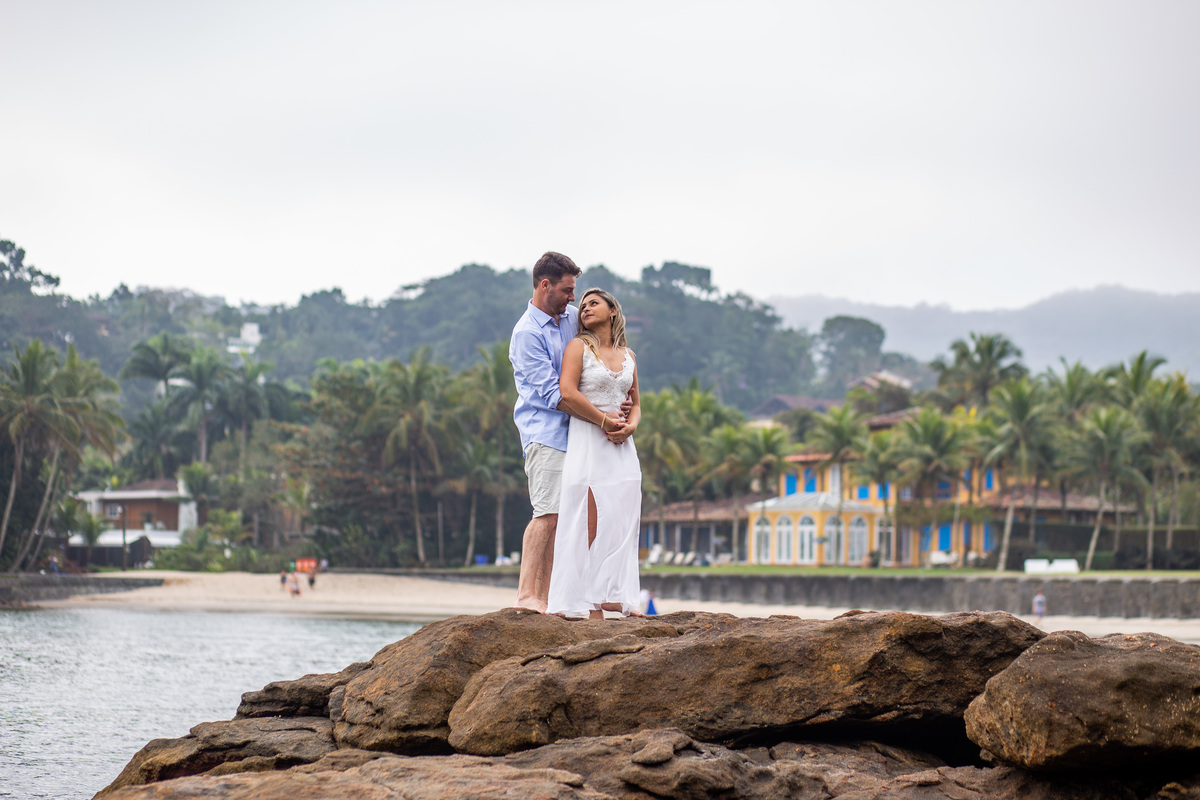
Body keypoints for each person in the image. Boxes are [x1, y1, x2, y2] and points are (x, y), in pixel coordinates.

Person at [547, 288, 643, 619]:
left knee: (622, 518)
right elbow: (567, 392)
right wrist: (605, 421)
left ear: (612, 311)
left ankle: (613, 595)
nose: (585, 308)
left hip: (622, 446)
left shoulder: (628, 355)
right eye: (582, 305)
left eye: (593, 303)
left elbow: (637, 403)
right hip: (590, 438)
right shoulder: (578, 348)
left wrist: (630, 426)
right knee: (589, 520)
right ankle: (580, 601)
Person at [509, 252, 583, 611]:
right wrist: (601, 418)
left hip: (577, 434)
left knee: (565, 517)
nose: (573, 298)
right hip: (545, 433)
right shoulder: (526, 334)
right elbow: (555, 395)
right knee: (547, 513)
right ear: (545, 286)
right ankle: (526, 594)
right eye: (567, 290)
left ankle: (549, 596)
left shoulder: (570, 318)